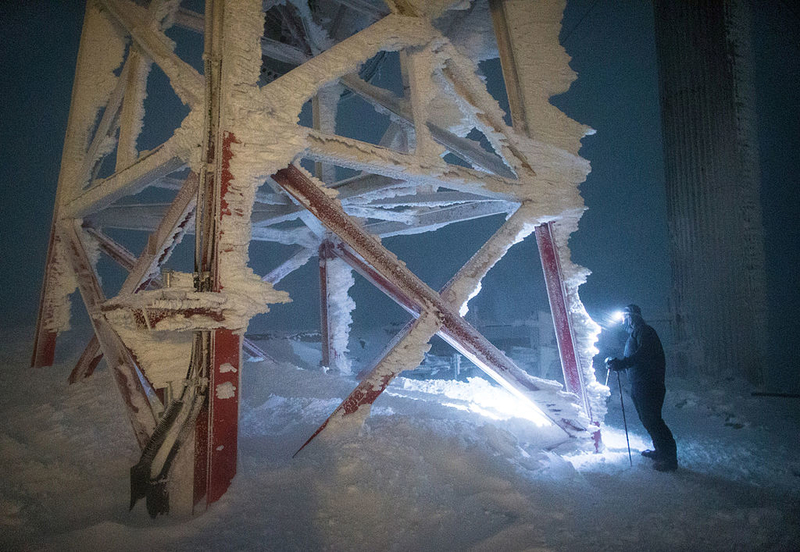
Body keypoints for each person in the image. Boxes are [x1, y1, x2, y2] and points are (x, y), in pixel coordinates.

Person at [607, 304, 678, 471]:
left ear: (633, 317)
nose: (624, 320)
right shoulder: (636, 333)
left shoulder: (645, 331)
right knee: (647, 420)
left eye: (625, 317)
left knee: (654, 420)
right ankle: (660, 451)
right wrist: (618, 364)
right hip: (640, 383)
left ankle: (670, 458)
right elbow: (634, 358)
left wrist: (623, 363)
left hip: (649, 384)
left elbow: (643, 354)